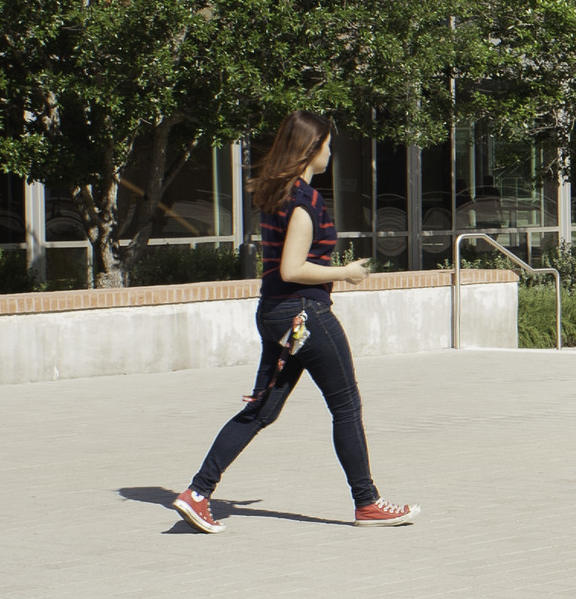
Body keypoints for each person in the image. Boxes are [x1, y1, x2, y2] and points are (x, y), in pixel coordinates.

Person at [174, 113, 418, 532]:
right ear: (310, 149)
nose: (330, 152)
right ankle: (368, 503)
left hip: (274, 314)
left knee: (261, 410)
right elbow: (292, 268)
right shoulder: (306, 201)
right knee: (346, 406)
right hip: (306, 315)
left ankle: (197, 493)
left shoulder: (276, 195)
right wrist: (346, 272)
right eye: (326, 144)